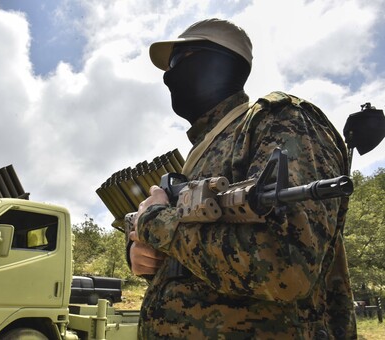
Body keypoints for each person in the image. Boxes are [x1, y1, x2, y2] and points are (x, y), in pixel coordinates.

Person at [128, 18, 357, 339]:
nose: (168, 78)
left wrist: (158, 223)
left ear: (218, 61)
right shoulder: (201, 153)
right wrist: (141, 254)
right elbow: (193, 260)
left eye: (178, 63)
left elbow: (287, 270)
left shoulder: (280, 120)